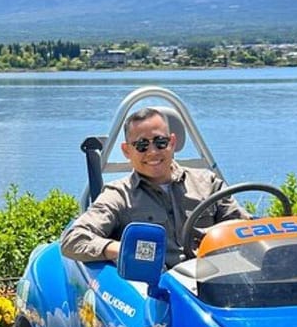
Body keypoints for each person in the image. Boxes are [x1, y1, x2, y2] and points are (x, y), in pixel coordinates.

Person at [61, 107, 247, 268]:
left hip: (215, 284)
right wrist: (123, 249)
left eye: (160, 142)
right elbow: (73, 240)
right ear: (127, 150)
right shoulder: (118, 196)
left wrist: (215, 236)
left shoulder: (208, 183)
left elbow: (245, 227)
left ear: (172, 143)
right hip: (157, 292)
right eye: (141, 145)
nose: (153, 152)